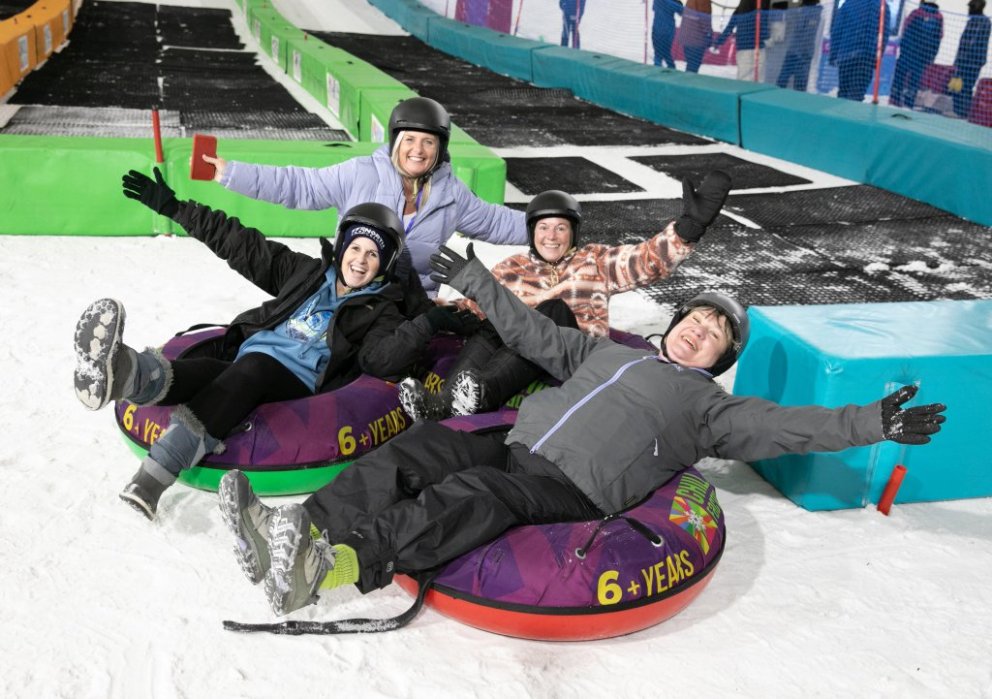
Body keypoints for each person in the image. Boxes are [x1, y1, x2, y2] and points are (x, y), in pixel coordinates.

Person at [217, 246, 946, 616]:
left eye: (715, 334)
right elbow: (532, 332)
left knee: (471, 495)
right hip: (518, 442)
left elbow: (788, 427)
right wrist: (477, 280)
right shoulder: (607, 352)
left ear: (721, 359)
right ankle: (295, 531)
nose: (699, 331)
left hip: (571, 487)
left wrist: (872, 421)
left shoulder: (710, 409)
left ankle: (332, 566)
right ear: (676, 322)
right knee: (416, 450)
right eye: (695, 318)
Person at [72, 169, 476, 520]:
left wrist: (428, 321)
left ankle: (153, 477)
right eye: (355, 247)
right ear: (342, 247)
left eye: (373, 255)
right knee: (211, 373)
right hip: (252, 360)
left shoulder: (380, 310)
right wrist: (175, 208)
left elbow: (380, 360)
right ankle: (127, 373)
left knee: (252, 369)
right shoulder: (306, 274)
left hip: (297, 380)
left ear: (384, 265)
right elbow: (244, 246)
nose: (360, 260)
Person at [397, 171, 732, 421]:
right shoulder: (512, 267)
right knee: (492, 321)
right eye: (543, 227)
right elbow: (473, 308)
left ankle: (482, 392)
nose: (551, 236)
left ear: (573, 232)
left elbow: (646, 260)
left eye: (561, 227)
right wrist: (425, 312)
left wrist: (688, 228)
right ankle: (446, 402)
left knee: (551, 311)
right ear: (532, 232)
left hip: (570, 357)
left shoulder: (595, 261)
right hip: (516, 354)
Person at [201, 97, 528, 297]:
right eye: (409, 139)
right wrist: (231, 173)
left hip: (409, 313)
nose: (417, 150)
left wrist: (548, 225)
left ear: (440, 148)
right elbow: (300, 185)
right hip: (351, 298)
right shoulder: (361, 173)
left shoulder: (451, 194)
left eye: (428, 142)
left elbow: (495, 221)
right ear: (395, 141)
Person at [830, 0, 891, 101]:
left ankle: (840, 111)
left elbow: (837, 30)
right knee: (856, 95)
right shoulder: (882, 5)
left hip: (845, 55)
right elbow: (883, 35)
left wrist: (833, 55)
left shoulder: (848, 4)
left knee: (843, 93)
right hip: (866, 56)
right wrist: (877, 59)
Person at [889, 0, 944, 109]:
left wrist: (903, 47)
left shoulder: (916, 13)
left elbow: (905, 29)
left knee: (900, 75)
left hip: (908, 52)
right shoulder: (939, 17)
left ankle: (895, 99)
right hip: (923, 55)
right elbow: (939, 37)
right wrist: (932, 56)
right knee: (915, 79)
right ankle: (909, 102)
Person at [950, 0, 991, 118]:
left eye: (970, 7)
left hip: (972, 61)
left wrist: (961, 59)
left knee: (966, 86)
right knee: (959, 86)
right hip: (966, 60)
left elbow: (971, 42)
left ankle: (961, 112)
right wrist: (957, 60)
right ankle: (957, 110)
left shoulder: (982, 22)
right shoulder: (974, 21)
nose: (968, 10)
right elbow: (964, 42)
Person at [714, 0, 771, 81]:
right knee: (757, 78)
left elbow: (732, 21)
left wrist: (720, 41)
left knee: (744, 77)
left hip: (743, 44)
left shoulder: (743, 3)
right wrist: (767, 37)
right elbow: (762, 18)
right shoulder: (758, 2)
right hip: (755, 45)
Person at [776, 0, 823, 92]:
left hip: (799, 52)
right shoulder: (815, 12)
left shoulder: (810, 12)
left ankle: (777, 96)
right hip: (802, 52)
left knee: (787, 80)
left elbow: (803, 32)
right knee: (797, 83)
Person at [681, 0, 714, 73]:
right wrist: (709, 35)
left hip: (686, 36)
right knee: (693, 67)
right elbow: (704, 20)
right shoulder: (704, 1)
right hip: (696, 39)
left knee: (690, 65)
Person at [653, 0, 685, 68]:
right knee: (664, 52)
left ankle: (669, 67)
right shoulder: (670, 3)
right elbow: (682, 11)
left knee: (659, 53)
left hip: (657, 29)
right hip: (667, 31)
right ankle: (671, 67)